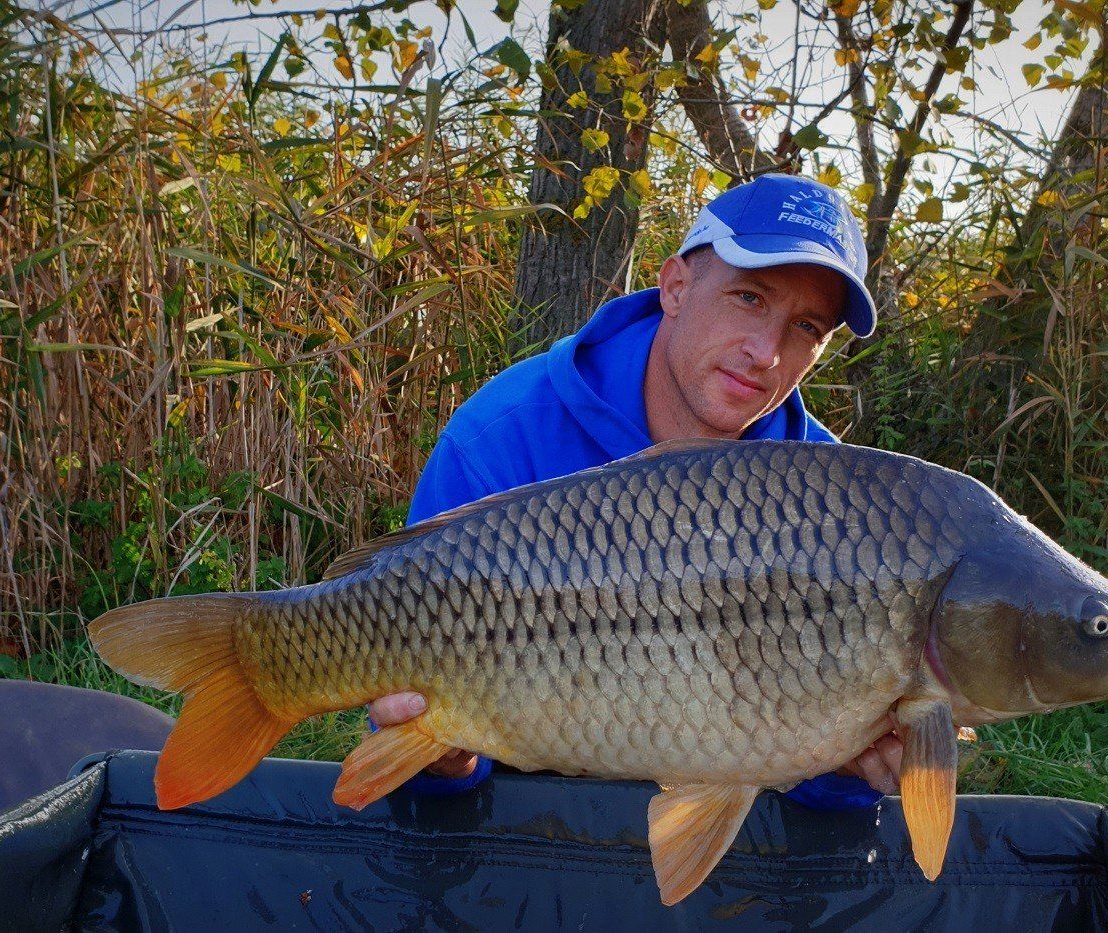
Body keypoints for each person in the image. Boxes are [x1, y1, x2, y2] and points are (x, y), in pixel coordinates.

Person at [369, 174, 903, 810]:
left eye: (807, 328)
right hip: (522, 811)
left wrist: (847, 771)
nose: (766, 352)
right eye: (750, 298)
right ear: (675, 287)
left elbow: (818, 793)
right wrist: (445, 761)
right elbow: (410, 740)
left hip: (721, 833)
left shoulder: (836, 503)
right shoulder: (502, 437)